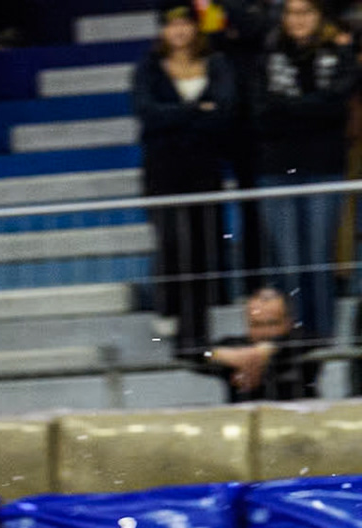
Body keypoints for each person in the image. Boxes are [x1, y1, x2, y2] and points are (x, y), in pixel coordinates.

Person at [131, 5, 236, 359]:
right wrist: (194, 111)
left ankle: (196, 334)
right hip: (162, 171)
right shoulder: (147, 68)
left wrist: (177, 116)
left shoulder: (216, 64)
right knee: (174, 241)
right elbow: (148, 114)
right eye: (170, 24)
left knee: (202, 249)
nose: (177, 31)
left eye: (184, 24)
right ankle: (167, 311)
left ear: (195, 29)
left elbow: (223, 113)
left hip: (204, 170)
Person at [252, 0, 354, 344]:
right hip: (276, 168)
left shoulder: (338, 54)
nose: (298, 20)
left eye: (306, 12)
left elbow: (337, 106)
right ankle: (288, 341)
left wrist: (290, 108)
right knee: (288, 263)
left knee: (318, 261)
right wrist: (314, 107)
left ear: (319, 17)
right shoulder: (266, 55)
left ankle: (322, 341)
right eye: (292, 13)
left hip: (324, 167)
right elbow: (262, 112)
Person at [203, 286, 321, 401]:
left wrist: (268, 350)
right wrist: (218, 354)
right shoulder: (237, 346)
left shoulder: (300, 342)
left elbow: (317, 341)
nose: (264, 332)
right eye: (256, 325)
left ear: (288, 321)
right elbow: (195, 351)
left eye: (272, 323)